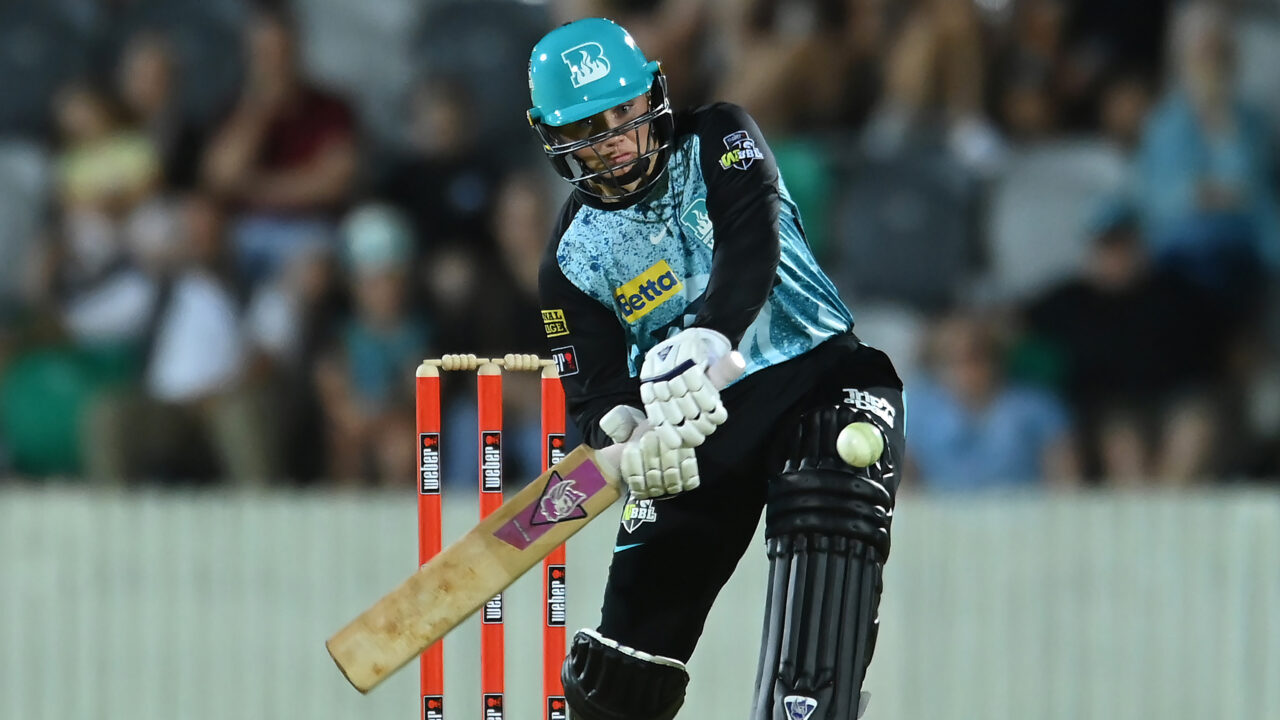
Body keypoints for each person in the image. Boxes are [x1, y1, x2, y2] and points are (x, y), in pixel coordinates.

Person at [526, 18, 905, 720]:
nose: (614, 139)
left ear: (652, 96)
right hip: (692, 433)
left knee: (828, 540)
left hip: (817, 378)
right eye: (587, 127)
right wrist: (631, 441)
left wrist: (709, 338)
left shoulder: (719, 136)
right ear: (554, 138)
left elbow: (751, 238)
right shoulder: (569, 264)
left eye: (623, 112)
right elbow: (595, 397)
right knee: (617, 682)